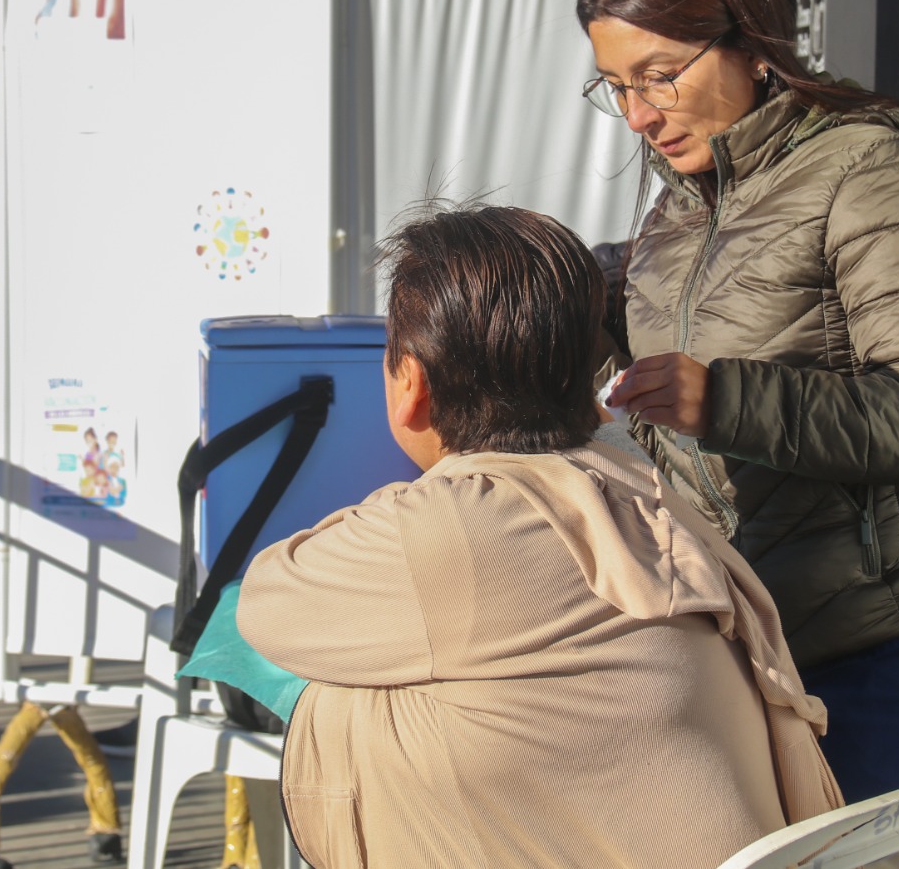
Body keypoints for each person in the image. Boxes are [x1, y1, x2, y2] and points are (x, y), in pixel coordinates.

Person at [577, 0, 899, 868]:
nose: (640, 115)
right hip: (766, 670)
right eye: (615, 87)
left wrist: (724, 402)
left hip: (898, 645)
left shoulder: (870, 167)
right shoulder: (680, 211)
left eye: (660, 74)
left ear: (749, 38)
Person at [237, 205, 841, 869]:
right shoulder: (639, 487)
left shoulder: (457, 525)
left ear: (411, 382)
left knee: (348, 701)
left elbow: (265, 604)